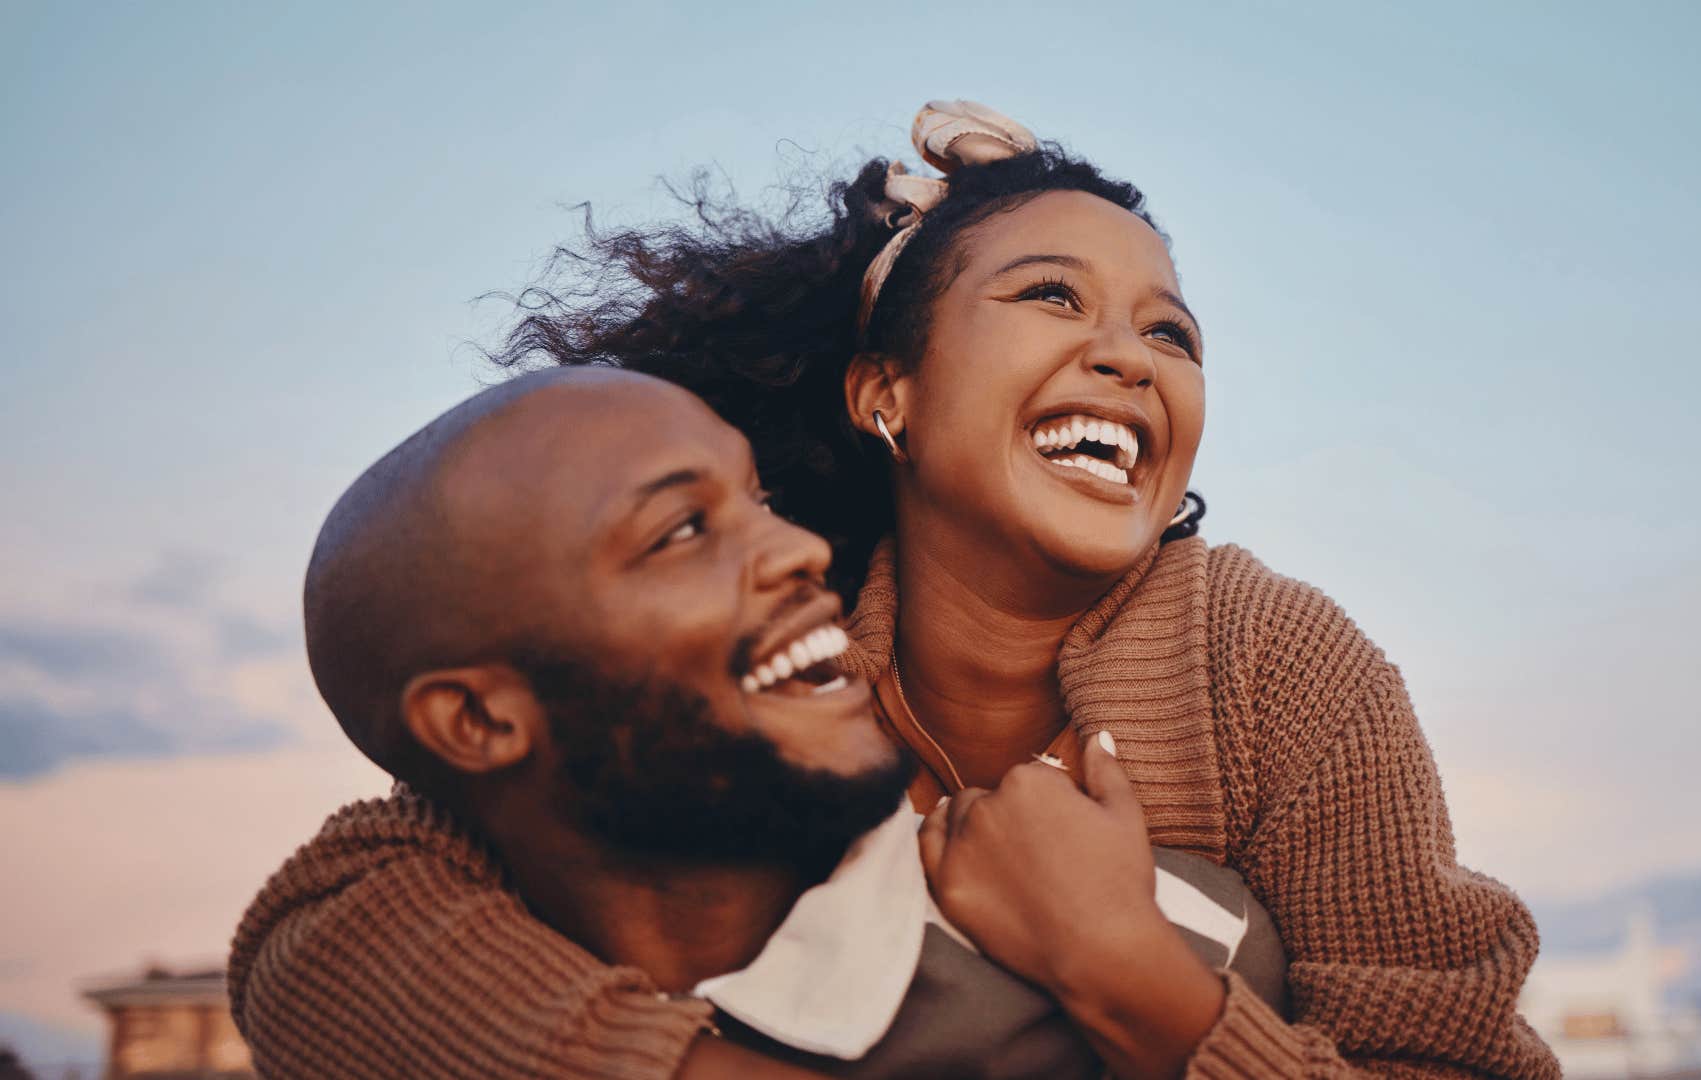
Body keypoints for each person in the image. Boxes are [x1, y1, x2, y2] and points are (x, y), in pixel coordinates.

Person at [234, 100, 1559, 1077]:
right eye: (1052, 296)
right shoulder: (778, 634)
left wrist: (1134, 977)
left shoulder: (1277, 667)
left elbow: (1453, 1056)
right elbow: (328, 928)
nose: (1129, 357)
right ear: (888, 394)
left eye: (1172, 332)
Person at [231, 365, 1286, 1079]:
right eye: (683, 529)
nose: (799, 552)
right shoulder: (402, 978)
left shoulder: (1184, 937)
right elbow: (306, 937)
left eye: (760, 499)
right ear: (474, 720)